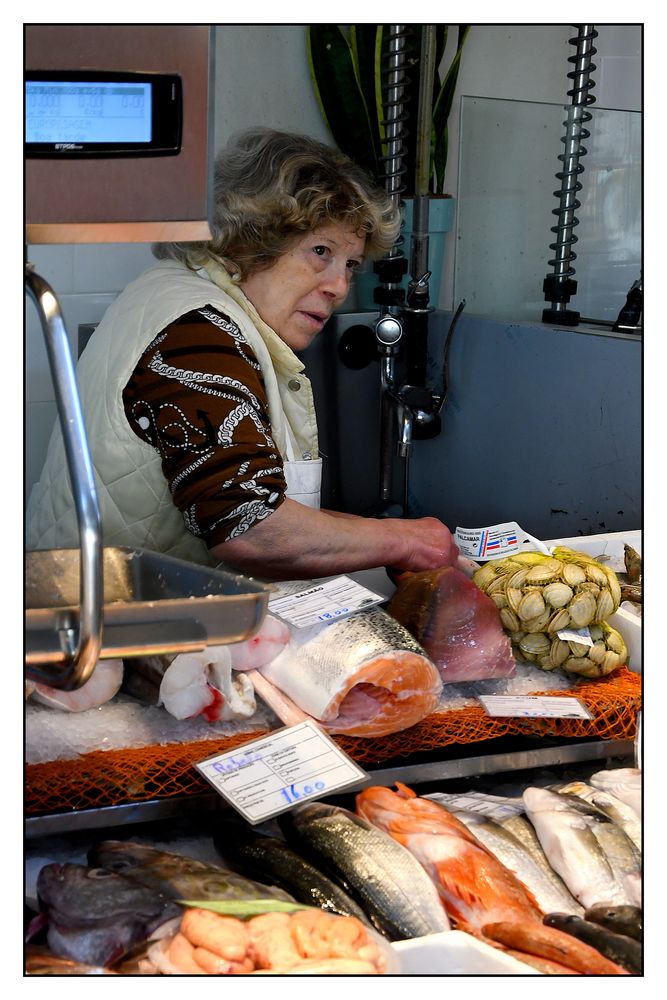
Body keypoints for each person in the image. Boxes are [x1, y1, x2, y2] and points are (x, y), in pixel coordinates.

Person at [27, 128, 459, 580]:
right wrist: (404, 541)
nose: (339, 287)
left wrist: (398, 541)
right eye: (320, 251)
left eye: (350, 264)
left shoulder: (177, 295)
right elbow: (250, 527)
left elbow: (259, 503)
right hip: (118, 632)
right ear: (248, 240)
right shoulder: (198, 333)